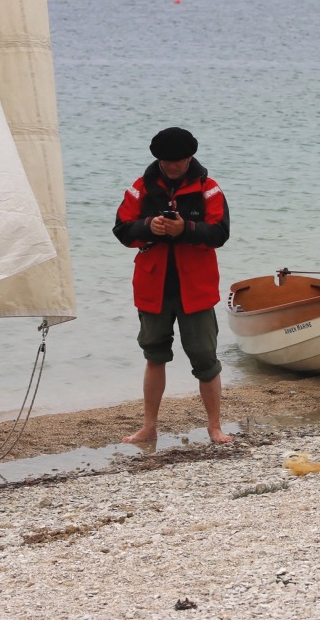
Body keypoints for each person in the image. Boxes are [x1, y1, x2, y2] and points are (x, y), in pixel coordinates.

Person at [113, 127, 233, 444]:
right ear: (159, 159)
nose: (174, 166)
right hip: (153, 287)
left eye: (179, 160)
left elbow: (220, 233)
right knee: (154, 355)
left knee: (206, 360)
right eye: (167, 161)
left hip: (196, 288)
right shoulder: (140, 189)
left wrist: (185, 229)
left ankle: (214, 427)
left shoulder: (209, 190)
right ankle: (149, 426)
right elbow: (123, 230)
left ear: (189, 157)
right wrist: (148, 227)